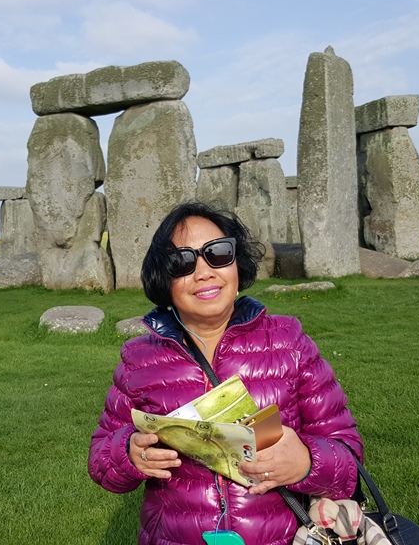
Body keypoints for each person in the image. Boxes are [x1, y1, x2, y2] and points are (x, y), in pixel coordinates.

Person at [89, 202, 362, 545]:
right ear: (165, 278)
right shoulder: (139, 359)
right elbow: (101, 462)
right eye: (183, 261)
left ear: (236, 263)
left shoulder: (290, 343)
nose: (204, 272)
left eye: (218, 253)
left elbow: (348, 457)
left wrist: (307, 462)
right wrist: (128, 452)